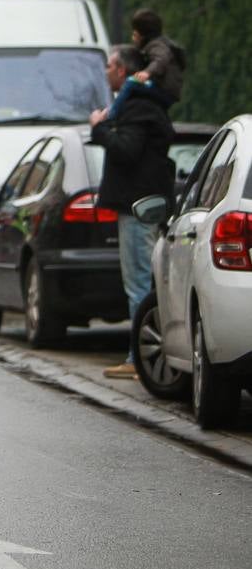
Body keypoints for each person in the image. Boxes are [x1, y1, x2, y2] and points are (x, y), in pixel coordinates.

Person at [90, 45, 174, 380]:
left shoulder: (137, 108)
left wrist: (100, 128)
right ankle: (144, 355)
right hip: (142, 205)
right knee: (143, 281)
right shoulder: (145, 106)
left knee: (138, 282)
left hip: (137, 208)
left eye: (110, 66)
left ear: (123, 71)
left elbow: (126, 150)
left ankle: (138, 358)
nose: (106, 72)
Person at [124, 8, 185, 110]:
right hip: (166, 89)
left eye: (135, 34)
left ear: (142, 35)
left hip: (164, 89)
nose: (133, 38)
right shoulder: (157, 43)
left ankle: (113, 114)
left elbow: (161, 59)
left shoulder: (157, 45)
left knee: (130, 86)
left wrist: (147, 72)